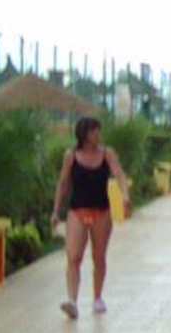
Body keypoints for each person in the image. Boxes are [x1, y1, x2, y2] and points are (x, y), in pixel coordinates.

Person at [51, 117, 131, 319]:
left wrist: (125, 196)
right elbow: (63, 183)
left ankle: (97, 297)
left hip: (101, 211)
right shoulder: (71, 155)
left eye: (98, 131)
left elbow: (119, 174)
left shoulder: (107, 154)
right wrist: (56, 210)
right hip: (77, 210)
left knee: (99, 256)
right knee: (74, 256)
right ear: (85, 134)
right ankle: (72, 300)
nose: (98, 135)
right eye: (95, 131)